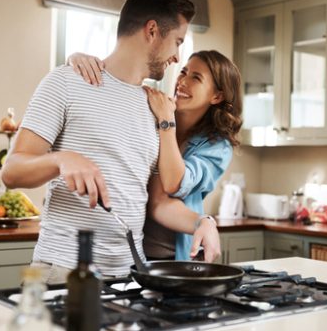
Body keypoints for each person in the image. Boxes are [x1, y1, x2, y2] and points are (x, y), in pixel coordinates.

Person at [1, 0, 221, 284]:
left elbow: (159, 204)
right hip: (64, 271)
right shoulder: (66, 82)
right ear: (152, 31)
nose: (176, 57)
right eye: (177, 42)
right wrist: (61, 160)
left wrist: (202, 222)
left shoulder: (157, 108)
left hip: (131, 276)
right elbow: (12, 171)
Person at [68, 49, 243, 260]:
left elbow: (173, 184)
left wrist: (166, 122)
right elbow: (113, 87)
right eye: (183, 72)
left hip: (173, 256)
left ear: (217, 96)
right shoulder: (153, 109)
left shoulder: (216, 146)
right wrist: (76, 59)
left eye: (196, 78)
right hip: (130, 254)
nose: (183, 81)